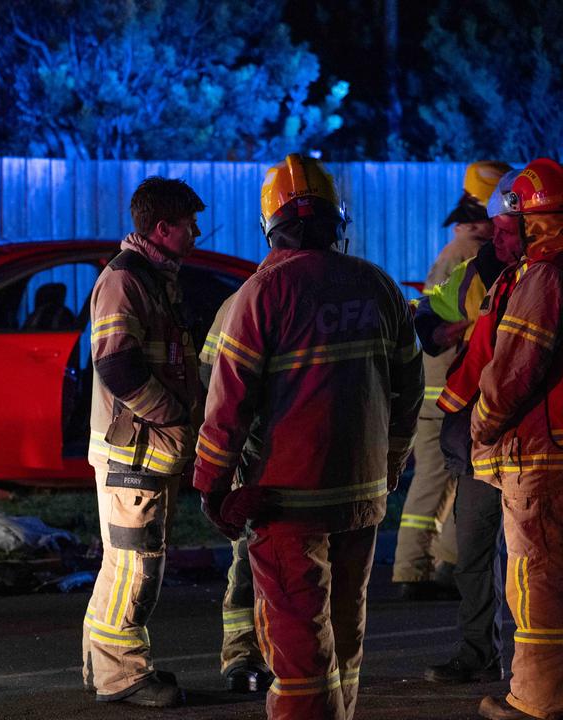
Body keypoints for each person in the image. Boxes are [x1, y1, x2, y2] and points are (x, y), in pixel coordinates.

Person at [194, 154, 424, 720]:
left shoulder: (258, 296)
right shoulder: (380, 287)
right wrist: (390, 463)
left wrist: (211, 486)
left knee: (298, 645)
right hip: (361, 495)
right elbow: (409, 391)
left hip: (285, 501)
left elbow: (226, 407)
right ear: (336, 221)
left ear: (270, 225)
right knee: (346, 625)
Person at [81, 176, 205, 708]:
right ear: (162, 228)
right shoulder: (125, 281)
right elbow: (118, 368)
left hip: (145, 449)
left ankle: (108, 668)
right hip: (131, 451)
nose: (196, 234)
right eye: (188, 225)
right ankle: (121, 676)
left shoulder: (154, 278)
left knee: (131, 562)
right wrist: (175, 415)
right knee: (135, 566)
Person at [468, 157, 563, 720]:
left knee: (537, 580)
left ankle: (536, 699)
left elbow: (514, 371)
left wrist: (481, 422)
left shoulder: (545, 277)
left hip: (539, 453)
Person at [423, 168, 523, 684]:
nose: (495, 236)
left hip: (530, 442)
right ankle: (477, 651)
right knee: (474, 555)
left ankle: (534, 670)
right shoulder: (482, 271)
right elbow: (429, 316)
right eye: (495, 227)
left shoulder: (544, 277)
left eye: (507, 228)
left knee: (534, 564)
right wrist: (441, 328)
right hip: (480, 440)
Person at [394, 160, 512, 599]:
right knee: (435, 480)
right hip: (445, 390)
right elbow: (446, 326)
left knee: (451, 479)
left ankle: (440, 566)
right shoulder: (466, 258)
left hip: (443, 388)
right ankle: (413, 569)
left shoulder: (459, 253)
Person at [200, 296, 274, 693]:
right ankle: (244, 654)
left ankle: (291, 658)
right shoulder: (246, 300)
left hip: (298, 456)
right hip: (261, 455)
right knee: (248, 559)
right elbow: (215, 382)